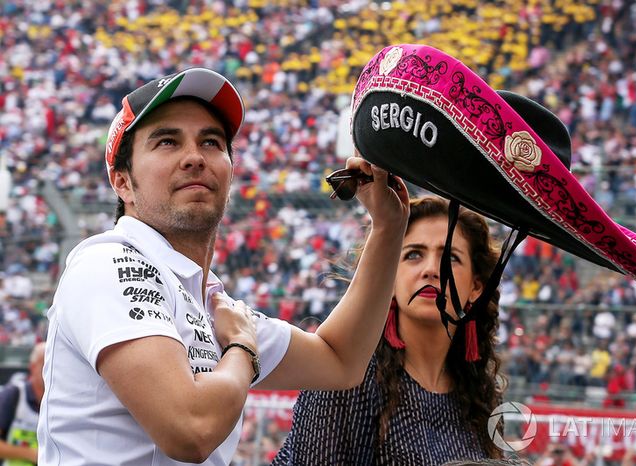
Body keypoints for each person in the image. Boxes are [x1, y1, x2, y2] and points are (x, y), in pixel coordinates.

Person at [37, 68, 410, 465]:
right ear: (123, 182)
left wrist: (388, 228)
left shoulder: (214, 304)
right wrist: (242, 349)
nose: (194, 157)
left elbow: (340, 360)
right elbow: (191, 429)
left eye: (211, 142)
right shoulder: (108, 261)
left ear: (230, 171)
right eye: (167, 141)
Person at [273, 196, 506, 464]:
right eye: (413, 255)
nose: (431, 269)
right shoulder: (347, 373)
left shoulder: (480, 395)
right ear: (389, 277)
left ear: (476, 287)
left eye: (450, 258)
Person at [0, 343, 45, 466]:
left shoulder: (60, 401)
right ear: (32, 366)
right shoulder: (13, 394)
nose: (49, 370)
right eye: (44, 365)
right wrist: (31, 454)